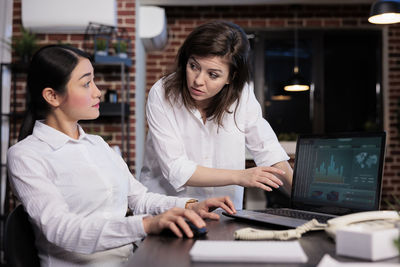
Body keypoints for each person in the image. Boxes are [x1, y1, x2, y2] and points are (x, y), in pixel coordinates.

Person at [6, 45, 236, 267]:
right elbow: (61, 229)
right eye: (86, 83)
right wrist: (146, 225)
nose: (98, 91)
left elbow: (140, 199)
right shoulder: (26, 156)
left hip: (133, 259)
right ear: (52, 96)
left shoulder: (98, 145)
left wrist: (191, 206)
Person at [139, 20, 293, 209]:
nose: (198, 81)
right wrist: (240, 176)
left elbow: (267, 149)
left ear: (231, 77)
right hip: (169, 208)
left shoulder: (241, 95)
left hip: (224, 211)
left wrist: (308, 201)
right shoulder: (162, 93)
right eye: (194, 66)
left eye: (212, 75)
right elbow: (176, 169)